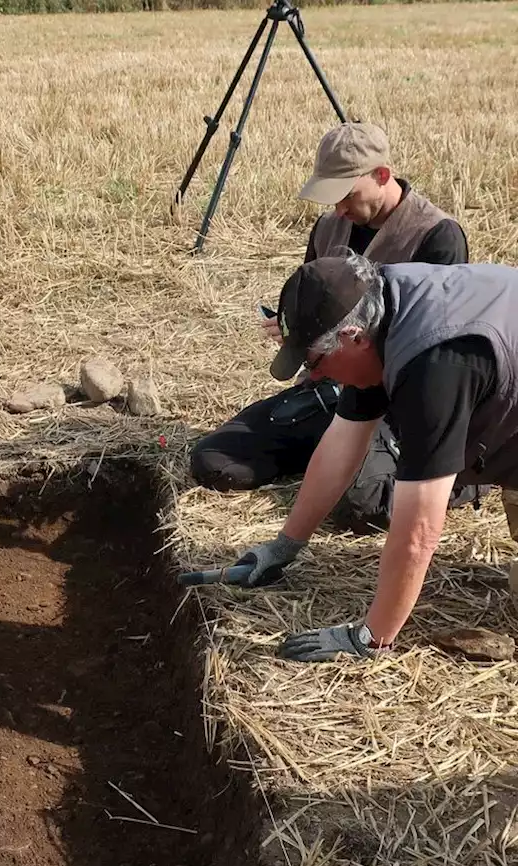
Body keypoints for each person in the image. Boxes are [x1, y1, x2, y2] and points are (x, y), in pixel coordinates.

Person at [208, 249, 518, 661]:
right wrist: (283, 547)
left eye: (315, 362)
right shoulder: (377, 306)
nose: (312, 377)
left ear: (352, 337)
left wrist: (371, 638)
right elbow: (340, 445)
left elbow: (419, 530)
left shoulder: (434, 366)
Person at [188, 121, 478, 531]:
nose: (338, 208)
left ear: (381, 175)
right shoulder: (328, 226)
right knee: (216, 463)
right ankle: (336, 454)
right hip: (328, 390)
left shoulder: (436, 236)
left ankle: (465, 479)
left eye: (346, 194)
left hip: (394, 402)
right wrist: (292, 328)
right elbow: (308, 299)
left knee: (360, 507)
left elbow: (439, 347)